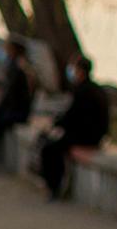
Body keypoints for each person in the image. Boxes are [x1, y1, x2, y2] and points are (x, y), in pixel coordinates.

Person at [39, 55, 110, 201]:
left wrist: (55, 125)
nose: (72, 72)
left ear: (81, 71)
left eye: (74, 69)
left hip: (86, 137)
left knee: (50, 149)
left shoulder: (83, 91)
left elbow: (73, 117)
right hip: (93, 135)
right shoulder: (95, 89)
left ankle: (54, 188)